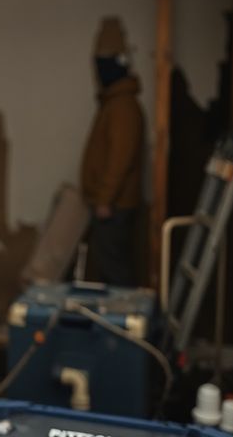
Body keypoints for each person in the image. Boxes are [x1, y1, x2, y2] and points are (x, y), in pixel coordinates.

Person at [80, 16, 145, 287]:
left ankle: (123, 315)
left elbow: (120, 158)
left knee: (116, 272)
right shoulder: (114, 103)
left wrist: (105, 199)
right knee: (109, 269)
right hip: (110, 204)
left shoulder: (122, 107)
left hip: (114, 207)